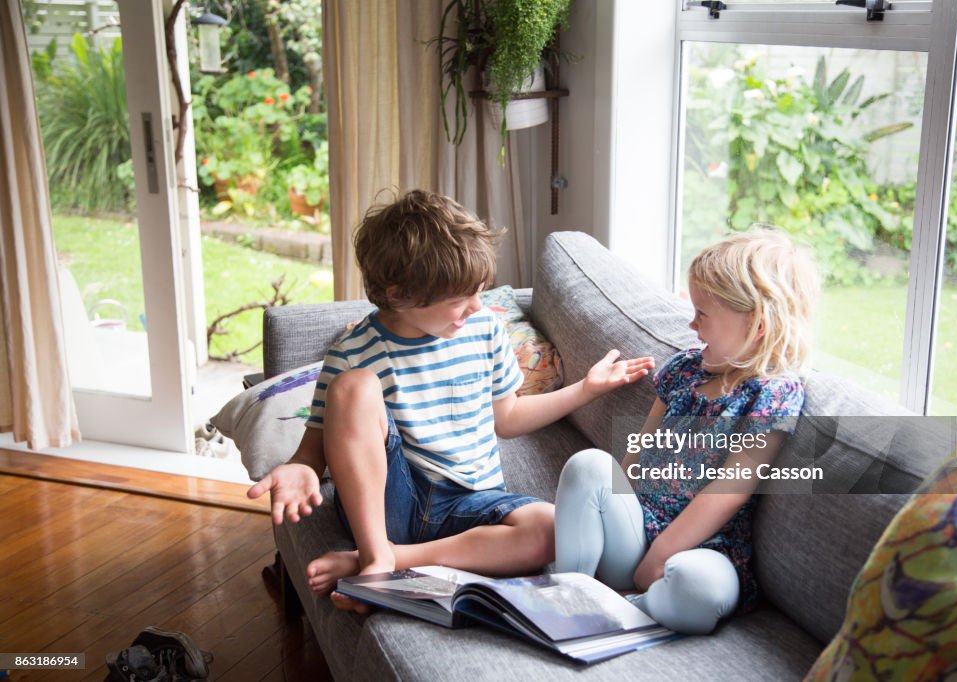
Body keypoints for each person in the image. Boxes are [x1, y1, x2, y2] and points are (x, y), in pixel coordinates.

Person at [247, 190, 655, 612]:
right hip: (392, 504)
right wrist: (298, 467)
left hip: (471, 503)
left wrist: (585, 390)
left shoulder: (484, 330)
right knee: (353, 386)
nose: (476, 306)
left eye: (479, 291)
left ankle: (385, 561)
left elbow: (508, 417)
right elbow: (313, 449)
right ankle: (375, 554)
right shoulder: (352, 352)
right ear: (399, 294)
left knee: (551, 529)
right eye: (460, 299)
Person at [553, 228, 818, 634]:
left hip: (704, 551)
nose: (691, 324)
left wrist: (660, 556)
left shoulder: (773, 395)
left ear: (758, 324)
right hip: (635, 531)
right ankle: (568, 592)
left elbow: (729, 492)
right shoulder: (684, 369)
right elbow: (636, 458)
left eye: (703, 314)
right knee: (589, 466)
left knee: (701, 589)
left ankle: (632, 607)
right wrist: (618, 515)